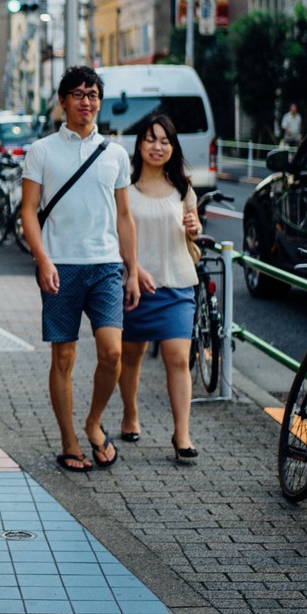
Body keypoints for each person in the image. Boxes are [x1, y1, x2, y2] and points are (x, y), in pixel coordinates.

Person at [20, 66, 141, 473]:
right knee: (64, 357)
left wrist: (133, 268)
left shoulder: (116, 154)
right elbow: (28, 211)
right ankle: (69, 440)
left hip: (105, 266)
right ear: (63, 101)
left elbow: (125, 216)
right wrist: (42, 259)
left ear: (99, 102)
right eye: (77, 94)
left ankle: (93, 422)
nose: (85, 101)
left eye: (92, 95)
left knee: (111, 353)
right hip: (61, 266)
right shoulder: (42, 151)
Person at [116, 113, 202, 463]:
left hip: (177, 283)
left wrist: (193, 228)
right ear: (139, 144)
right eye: (151, 139)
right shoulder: (126, 188)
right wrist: (132, 269)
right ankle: (129, 414)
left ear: (172, 147)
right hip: (134, 287)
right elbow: (116, 235)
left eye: (165, 141)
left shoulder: (183, 188)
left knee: (178, 359)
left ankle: (182, 434)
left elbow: (190, 235)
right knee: (131, 358)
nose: (158, 146)